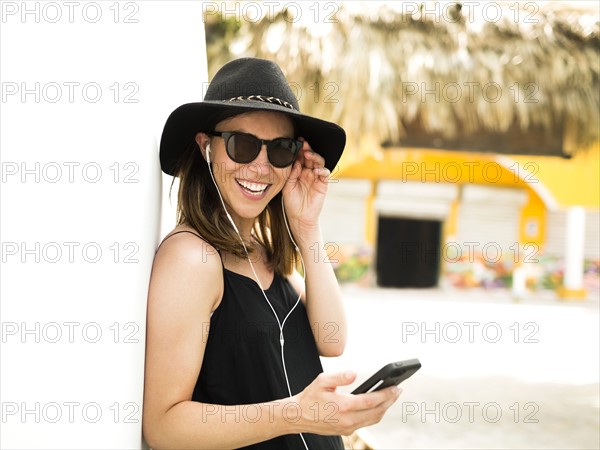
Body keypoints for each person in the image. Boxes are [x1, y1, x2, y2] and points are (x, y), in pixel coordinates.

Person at [142, 57, 401, 450]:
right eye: (242, 145)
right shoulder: (191, 258)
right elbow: (163, 426)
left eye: (280, 149)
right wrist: (297, 413)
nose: (261, 166)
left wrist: (308, 229)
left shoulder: (259, 253)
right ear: (206, 147)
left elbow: (332, 340)